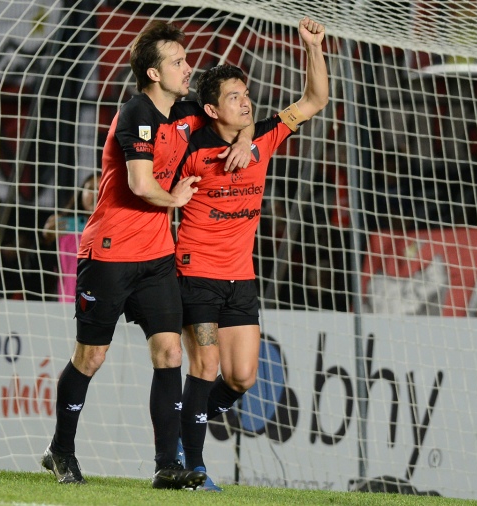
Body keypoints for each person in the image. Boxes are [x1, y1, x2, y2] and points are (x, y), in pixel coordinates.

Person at [41, 20, 253, 489]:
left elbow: (237, 113)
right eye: (177, 62)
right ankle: (61, 450)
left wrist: (244, 138)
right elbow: (139, 184)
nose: (187, 67)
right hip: (110, 253)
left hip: (157, 256)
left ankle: (165, 466)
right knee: (91, 357)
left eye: (186, 59)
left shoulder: (187, 110)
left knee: (170, 351)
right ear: (154, 74)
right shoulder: (136, 112)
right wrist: (175, 198)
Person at [175, 17, 329, 491]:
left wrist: (312, 47)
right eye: (234, 97)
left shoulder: (262, 136)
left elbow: (314, 100)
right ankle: (192, 466)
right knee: (205, 367)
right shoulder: (189, 144)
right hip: (197, 274)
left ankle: (183, 430)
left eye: (246, 94)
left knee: (241, 378)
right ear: (211, 109)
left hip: (240, 278)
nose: (246, 102)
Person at [42, 174, 100, 302]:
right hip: (67, 304)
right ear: (81, 193)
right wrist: (46, 241)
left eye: (102, 189)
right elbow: (43, 270)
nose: (96, 194)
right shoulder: (62, 228)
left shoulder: (121, 231)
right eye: (90, 188)